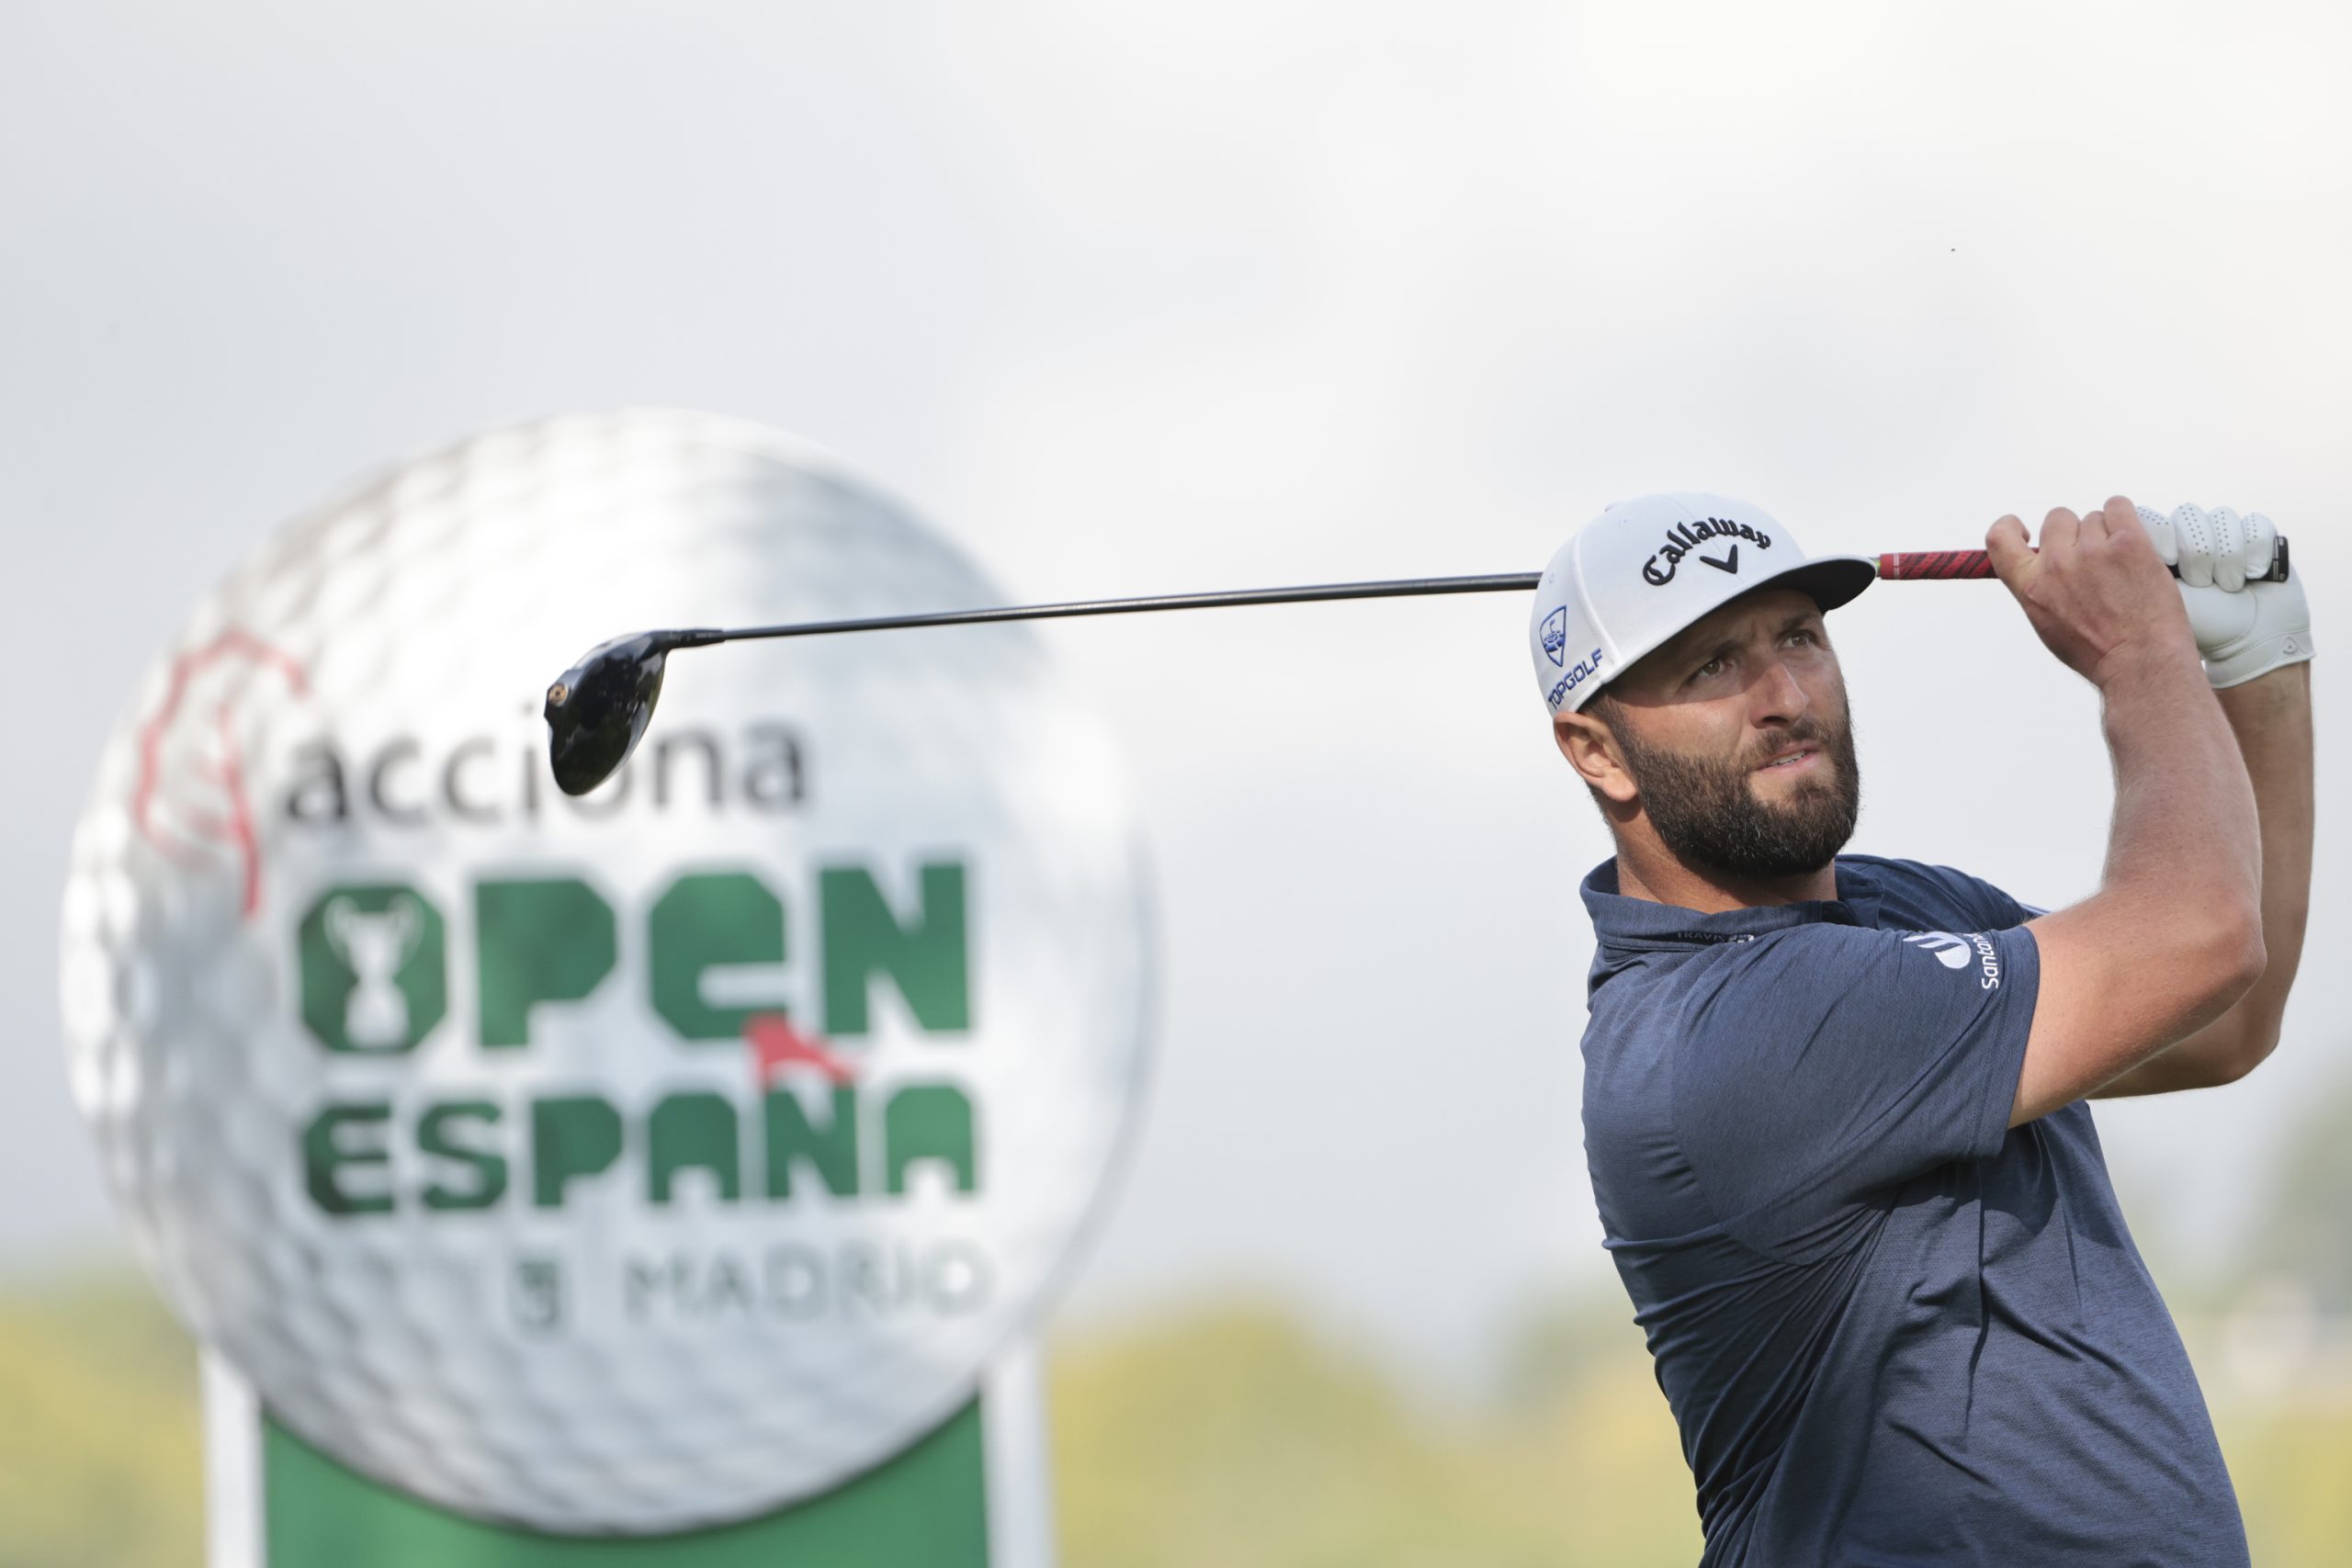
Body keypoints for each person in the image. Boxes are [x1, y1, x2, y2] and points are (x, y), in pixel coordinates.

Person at [1527, 492, 2314, 1565]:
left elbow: (2221, 1019)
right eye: (1711, 666)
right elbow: (2199, 938)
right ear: (1596, 750)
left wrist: (2258, 672)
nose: (1784, 695)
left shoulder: (1901, 912)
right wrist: (2141, 656)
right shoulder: (1720, 1032)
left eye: (1799, 636)